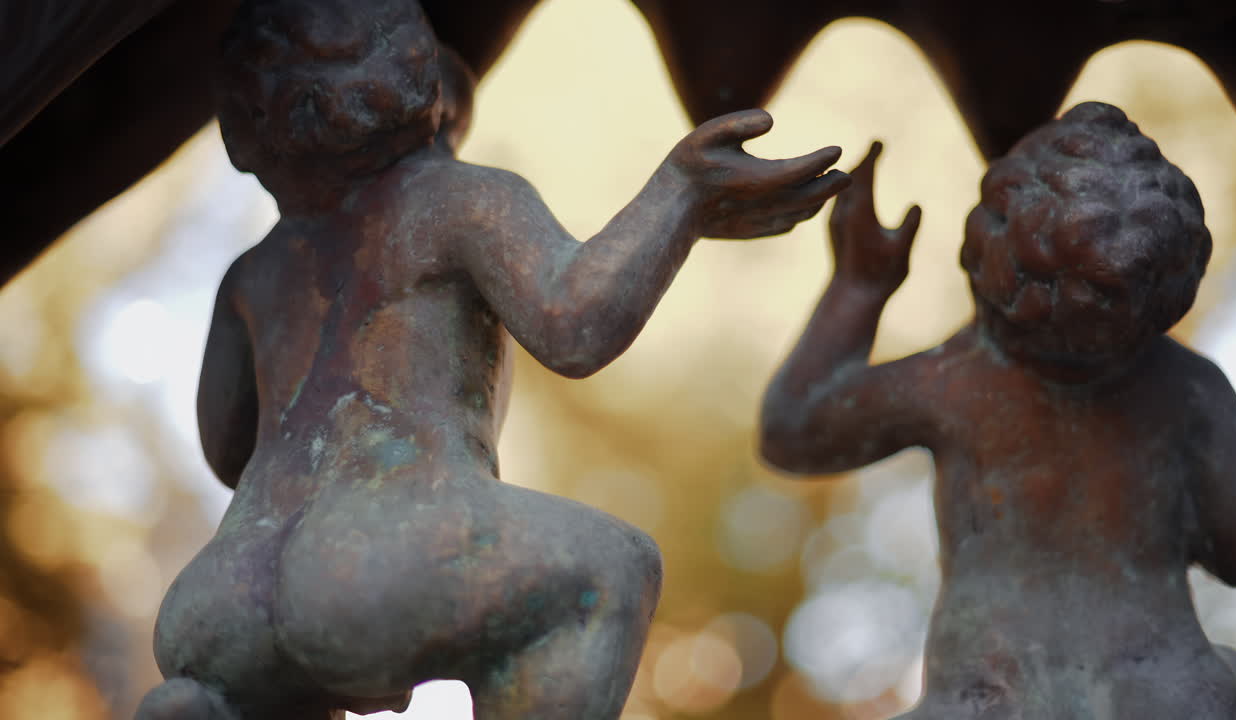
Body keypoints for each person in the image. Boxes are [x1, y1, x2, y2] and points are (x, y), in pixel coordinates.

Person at [135, 0, 851, 718]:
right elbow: (574, 325)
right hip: (370, 555)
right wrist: (682, 196)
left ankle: (204, 702)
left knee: (251, 681)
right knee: (606, 571)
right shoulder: (457, 197)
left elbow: (227, 449)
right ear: (409, 94)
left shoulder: (254, 273)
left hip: (220, 597)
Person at [761, 102, 1236, 719]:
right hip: (1166, 690)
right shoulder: (1189, 387)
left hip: (986, 695)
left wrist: (859, 287)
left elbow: (794, 430)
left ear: (995, 266)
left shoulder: (956, 379)